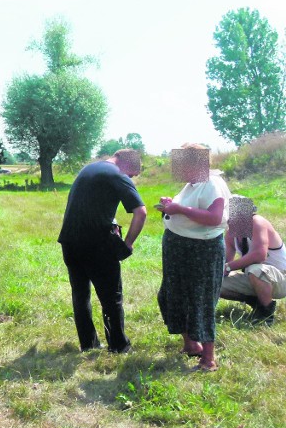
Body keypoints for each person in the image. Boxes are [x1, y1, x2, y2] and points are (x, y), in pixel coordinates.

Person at [58, 149, 147, 353]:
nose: (131, 178)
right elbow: (141, 212)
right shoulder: (116, 174)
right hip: (96, 243)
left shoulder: (88, 169)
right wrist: (128, 243)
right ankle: (118, 345)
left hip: (70, 241)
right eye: (132, 174)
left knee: (80, 295)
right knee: (111, 297)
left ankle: (88, 344)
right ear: (128, 164)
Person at [157, 143, 231, 372]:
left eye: (181, 163)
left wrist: (179, 210)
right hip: (179, 248)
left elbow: (214, 217)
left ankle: (208, 359)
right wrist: (172, 205)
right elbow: (187, 207)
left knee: (201, 301)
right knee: (172, 295)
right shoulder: (192, 184)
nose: (178, 168)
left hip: (201, 252)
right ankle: (191, 344)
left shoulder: (212, 183)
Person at [220, 195, 286, 325]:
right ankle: (256, 303)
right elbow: (225, 261)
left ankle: (266, 315)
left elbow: (259, 255)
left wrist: (227, 267)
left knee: (254, 269)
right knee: (215, 282)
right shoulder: (230, 234)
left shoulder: (257, 222)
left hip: (281, 278)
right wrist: (217, 271)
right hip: (256, 277)